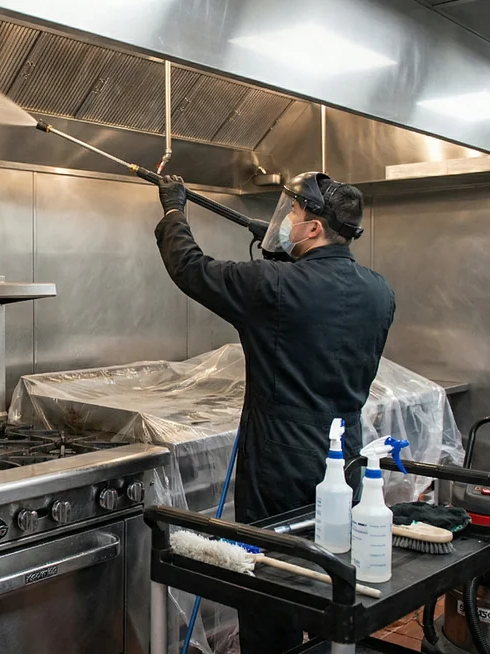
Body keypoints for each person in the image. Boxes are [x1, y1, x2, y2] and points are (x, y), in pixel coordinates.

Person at [154, 172, 396, 654]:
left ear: (313, 228)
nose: (285, 220)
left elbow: (191, 267)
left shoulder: (272, 284)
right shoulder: (379, 291)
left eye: (293, 213)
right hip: (344, 456)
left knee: (270, 587)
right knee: (329, 578)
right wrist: (283, 255)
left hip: (279, 464)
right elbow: (318, 312)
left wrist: (173, 211)